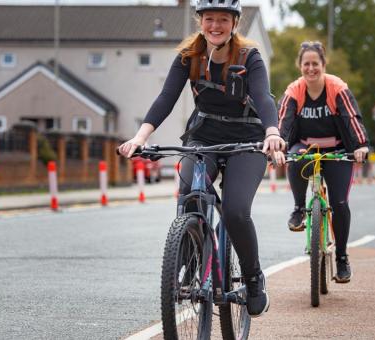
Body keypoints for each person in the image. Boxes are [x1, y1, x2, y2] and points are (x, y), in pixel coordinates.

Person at [117, 0, 284, 317]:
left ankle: (253, 279)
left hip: (248, 140)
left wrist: (272, 132)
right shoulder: (188, 57)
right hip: (203, 137)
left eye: (223, 19)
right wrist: (141, 137)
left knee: (235, 211)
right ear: (200, 21)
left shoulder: (250, 56)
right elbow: (166, 97)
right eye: (209, 19)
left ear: (234, 23)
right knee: (190, 195)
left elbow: (262, 97)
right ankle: (190, 260)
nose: (216, 26)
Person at [276, 41, 370, 283]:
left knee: (339, 203)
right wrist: (276, 146)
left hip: (338, 149)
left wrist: (360, 145)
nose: (311, 68)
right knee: (295, 159)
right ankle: (299, 209)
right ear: (300, 66)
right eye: (306, 64)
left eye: (315, 64)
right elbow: (283, 123)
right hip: (305, 145)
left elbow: (352, 117)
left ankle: (341, 258)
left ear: (323, 65)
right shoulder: (295, 90)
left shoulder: (336, 87)